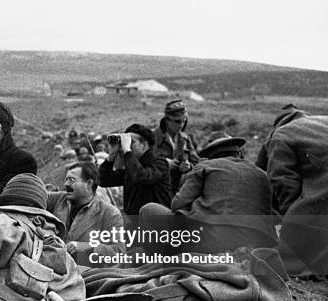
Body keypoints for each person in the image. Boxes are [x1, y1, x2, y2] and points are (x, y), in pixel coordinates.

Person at [139, 132, 277, 255]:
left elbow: (177, 204)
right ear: (239, 153)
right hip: (257, 244)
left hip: (211, 241)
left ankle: (157, 265)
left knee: (149, 210)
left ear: (210, 155)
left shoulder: (206, 167)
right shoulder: (262, 174)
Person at [266, 112, 328, 276]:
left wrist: (290, 218)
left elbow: (282, 180)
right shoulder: (320, 121)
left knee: (288, 258)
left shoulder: (282, 133)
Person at [47, 162, 125, 265]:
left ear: (89, 184)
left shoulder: (110, 213)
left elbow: (119, 251)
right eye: (66, 179)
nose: (65, 184)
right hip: (53, 268)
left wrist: (85, 246)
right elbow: (36, 195)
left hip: (85, 275)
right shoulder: (59, 199)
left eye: (71, 180)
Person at [99, 124, 171, 224]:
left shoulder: (160, 163)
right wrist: (111, 156)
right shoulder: (132, 166)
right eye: (125, 143)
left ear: (144, 145)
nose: (125, 147)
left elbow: (141, 176)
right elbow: (103, 180)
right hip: (135, 224)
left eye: (130, 143)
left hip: (157, 225)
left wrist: (127, 152)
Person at [153, 99, 200, 195]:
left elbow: (196, 162)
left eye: (184, 121)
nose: (181, 125)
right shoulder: (154, 137)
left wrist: (189, 166)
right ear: (167, 120)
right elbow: (146, 160)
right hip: (158, 189)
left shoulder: (185, 138)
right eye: (177, 122)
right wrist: (164, 163)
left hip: (178, 189)